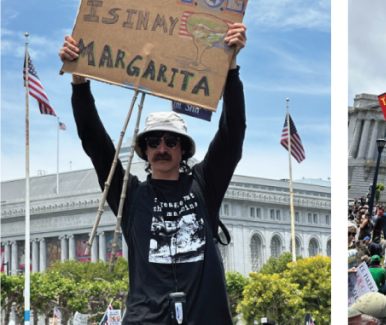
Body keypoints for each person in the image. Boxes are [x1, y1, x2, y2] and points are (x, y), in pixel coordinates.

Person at [61, 25, 248, 323]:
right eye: (153, 141)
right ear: (144, 151)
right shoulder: (129, 195)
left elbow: (232, 134)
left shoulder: (204, 186)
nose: (162, 148)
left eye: (171, 141)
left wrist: (231, 66)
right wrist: (79, 80)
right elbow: (95, 143)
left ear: (184, 149)